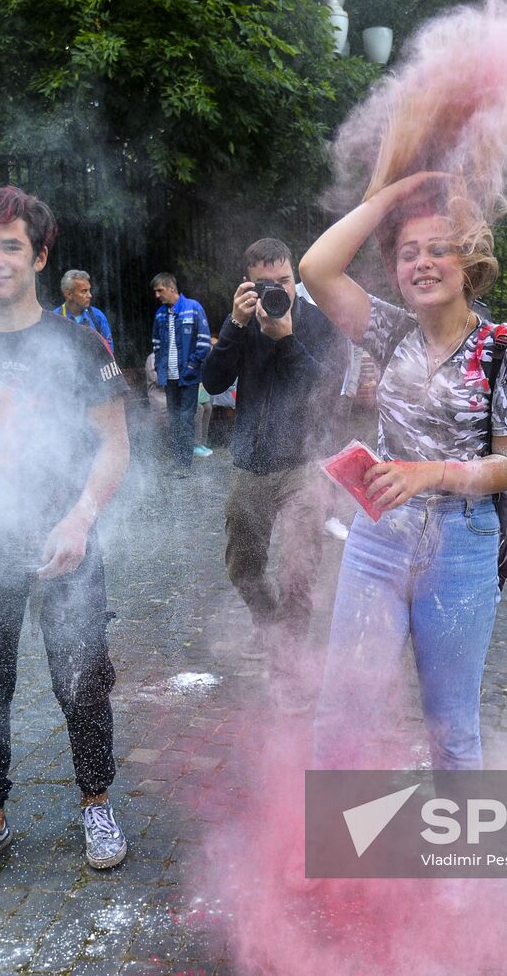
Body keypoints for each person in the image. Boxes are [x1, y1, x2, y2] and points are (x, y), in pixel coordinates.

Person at [300, 172, 507, 770]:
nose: (422, 263)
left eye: (439, 249)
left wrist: (427, 472)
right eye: (408, 253)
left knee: (451, 727)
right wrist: (387, 200)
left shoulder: (503, 349)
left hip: (462, 544)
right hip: (380, 538)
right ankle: (337, 856)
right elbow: (316, 269)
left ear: (470, 265)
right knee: (342, 715)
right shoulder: (391, 331)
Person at [0, 186, 131, 891]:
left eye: (11, 245)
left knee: (82, 683)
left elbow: (114, 446)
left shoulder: (80, 342)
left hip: (66, 542)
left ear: (39, 255)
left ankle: (97, 806)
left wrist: (79, 518)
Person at [201, 237, 349, 712]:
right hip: (249, 463)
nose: (276, 291)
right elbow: (212, 383)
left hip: (305, 465)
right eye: (265, 284)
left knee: (297, 573)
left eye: (284, 282)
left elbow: (321, 389)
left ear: (296, 279)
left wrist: (284, 337)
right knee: (242, 566)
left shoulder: (320, 324)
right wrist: (234, 325)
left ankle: (288, 669)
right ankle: (268, 627)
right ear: (248, 281)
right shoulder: (241, 324)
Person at [150, 272, 211, 477]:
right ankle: (178, 461)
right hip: (170, 377)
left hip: (189, 376)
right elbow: (157, 344)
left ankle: (184, 465)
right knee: (174, 420)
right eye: (156, 291)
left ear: (171, 288)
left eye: (160, 290)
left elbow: (204, 342)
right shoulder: (159, 314)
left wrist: (193, 366)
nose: (157, 295)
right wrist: (160, 368)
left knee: (186, 419)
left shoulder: (193, 308)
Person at [54, 268, 114, 353]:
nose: (90, 295)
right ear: (68, 294)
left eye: (89, 290)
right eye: (84, 291)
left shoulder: (97, 317)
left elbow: (109, 353)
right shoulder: (55, 318)